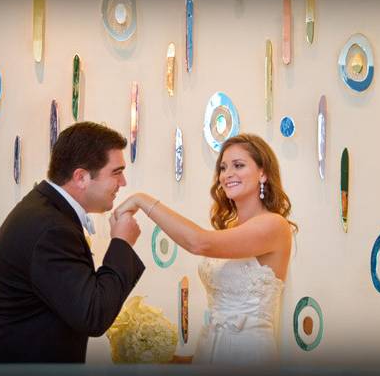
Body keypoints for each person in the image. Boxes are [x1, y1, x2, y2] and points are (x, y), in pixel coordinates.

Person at [114, 133, 297, 365]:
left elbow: (199, 243)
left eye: (238, 165)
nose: (227, 174)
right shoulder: (228, 229)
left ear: (263, 173)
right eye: (223, 167)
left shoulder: (274, 225)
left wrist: (142, 200)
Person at [0, 122, 145, 363]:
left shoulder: (47, 212)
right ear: (81, 177)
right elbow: (93, 314)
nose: (123, 182)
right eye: (116, 172)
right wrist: (121, 243)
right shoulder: (51, 230)